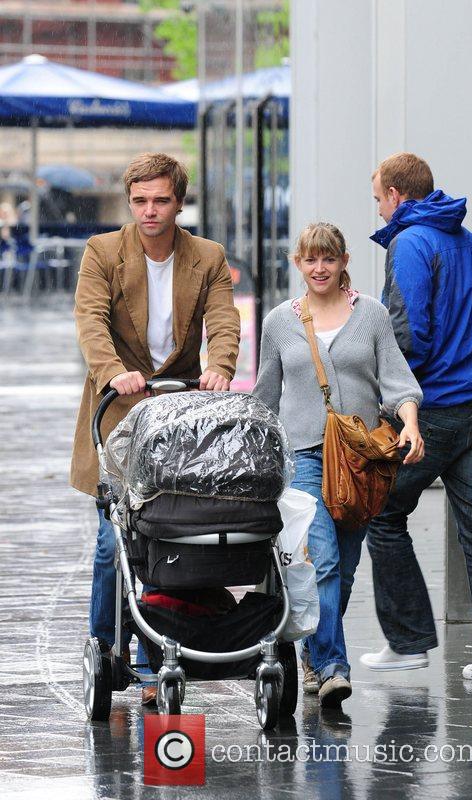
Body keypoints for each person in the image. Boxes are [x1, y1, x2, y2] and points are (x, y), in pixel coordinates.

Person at [71, 152, 240, 703]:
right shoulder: (102, 252)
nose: (149, 211)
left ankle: (155, 661)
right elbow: (91, 320)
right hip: (120, 411)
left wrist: (221, 366)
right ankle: (105, 652)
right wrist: (113, 372)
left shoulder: (208, 256)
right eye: (140, 201)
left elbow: (223, 318)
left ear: (179, 202)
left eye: (161, 200)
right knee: (111, 543)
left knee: (172, 537)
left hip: (179, 413)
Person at [253, 222, 424, 708]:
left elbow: (398, 383)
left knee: (344, 570)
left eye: (328, 259)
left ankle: (312, 650)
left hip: (360, 463)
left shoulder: (370, 315)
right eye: (310, 260)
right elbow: (266, 395)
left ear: (343, 260)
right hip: (305, 455)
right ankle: (331, 667)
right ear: (297, 264)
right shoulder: (280, 322)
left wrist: (409, 424)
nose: (319, 268)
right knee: (323, 561)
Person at [361, 152, 472, 681]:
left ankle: (409, 641)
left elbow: (406, 331)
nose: (378, 211)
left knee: (381, 513)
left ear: (396, 195)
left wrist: (388, 398)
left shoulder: (411, 242)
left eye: (378, 199)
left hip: (433, 409)